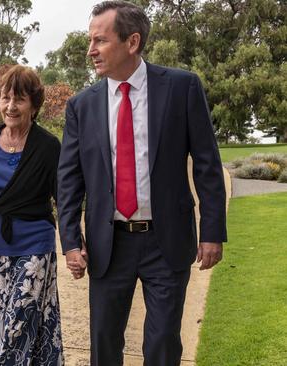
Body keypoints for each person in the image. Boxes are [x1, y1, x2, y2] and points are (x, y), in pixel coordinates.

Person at [57, 1, 227, 365]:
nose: (91, 51)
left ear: (132, 42)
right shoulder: (81, 106)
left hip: (167, 241)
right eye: (90, 41)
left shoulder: (182, 87)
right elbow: (69, 180)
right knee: (104, 344)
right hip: (108, 243)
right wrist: (71, 241)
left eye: (99, 41)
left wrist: (212, 231)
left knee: (163, 342)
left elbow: (208, 165)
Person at [0, 65, 63, 365]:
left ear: (34, 105)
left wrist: (75, 244)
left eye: (20, 99)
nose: (10, 106)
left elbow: (63, 198)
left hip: (33, 249)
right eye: (5, 98)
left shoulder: (49, 146)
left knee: (16, 330)